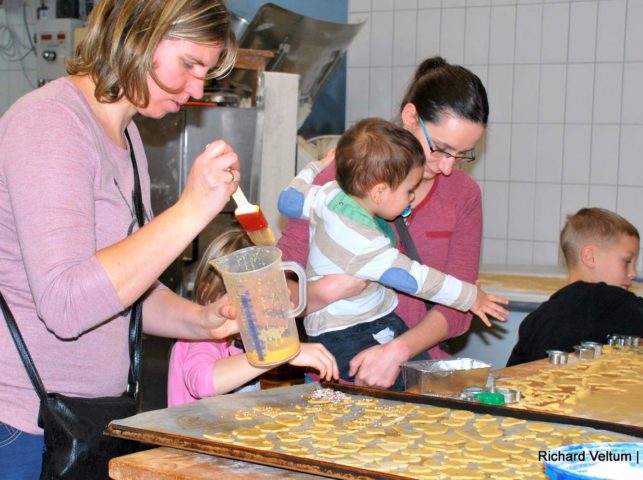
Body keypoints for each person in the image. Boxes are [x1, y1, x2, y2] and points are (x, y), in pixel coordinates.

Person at [0, 1, 244, 476]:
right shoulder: (51, 123)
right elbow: (66, 303)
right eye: (190, 64)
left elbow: (120, 288)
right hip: (23, 426)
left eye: (207, 72)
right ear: (139, 35)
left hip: (90, 420)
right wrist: (190, 210)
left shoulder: (126, 136)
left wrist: (200, 321)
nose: (196, 88)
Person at [278, 57, 492, 389]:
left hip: (421, 374)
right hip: (340, 375)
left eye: (463, 154)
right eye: (441, 149)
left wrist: (397, 350)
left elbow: (457, 310)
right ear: (410, 117)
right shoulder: (340, 181)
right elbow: (280, 289)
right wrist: (322, 293)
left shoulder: (463, 195)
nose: (448, 167)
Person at [506, 208, 643, 366]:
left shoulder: (538, 316)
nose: (633, 273)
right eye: (627, 261)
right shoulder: (598, 299)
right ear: (590, 257)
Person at [167, 229, 339, 407]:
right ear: (207, 295)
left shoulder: (246, 338)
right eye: (246, 296)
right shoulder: (201, 337)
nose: (257, 306)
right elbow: (201, 382)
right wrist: (277, 354)